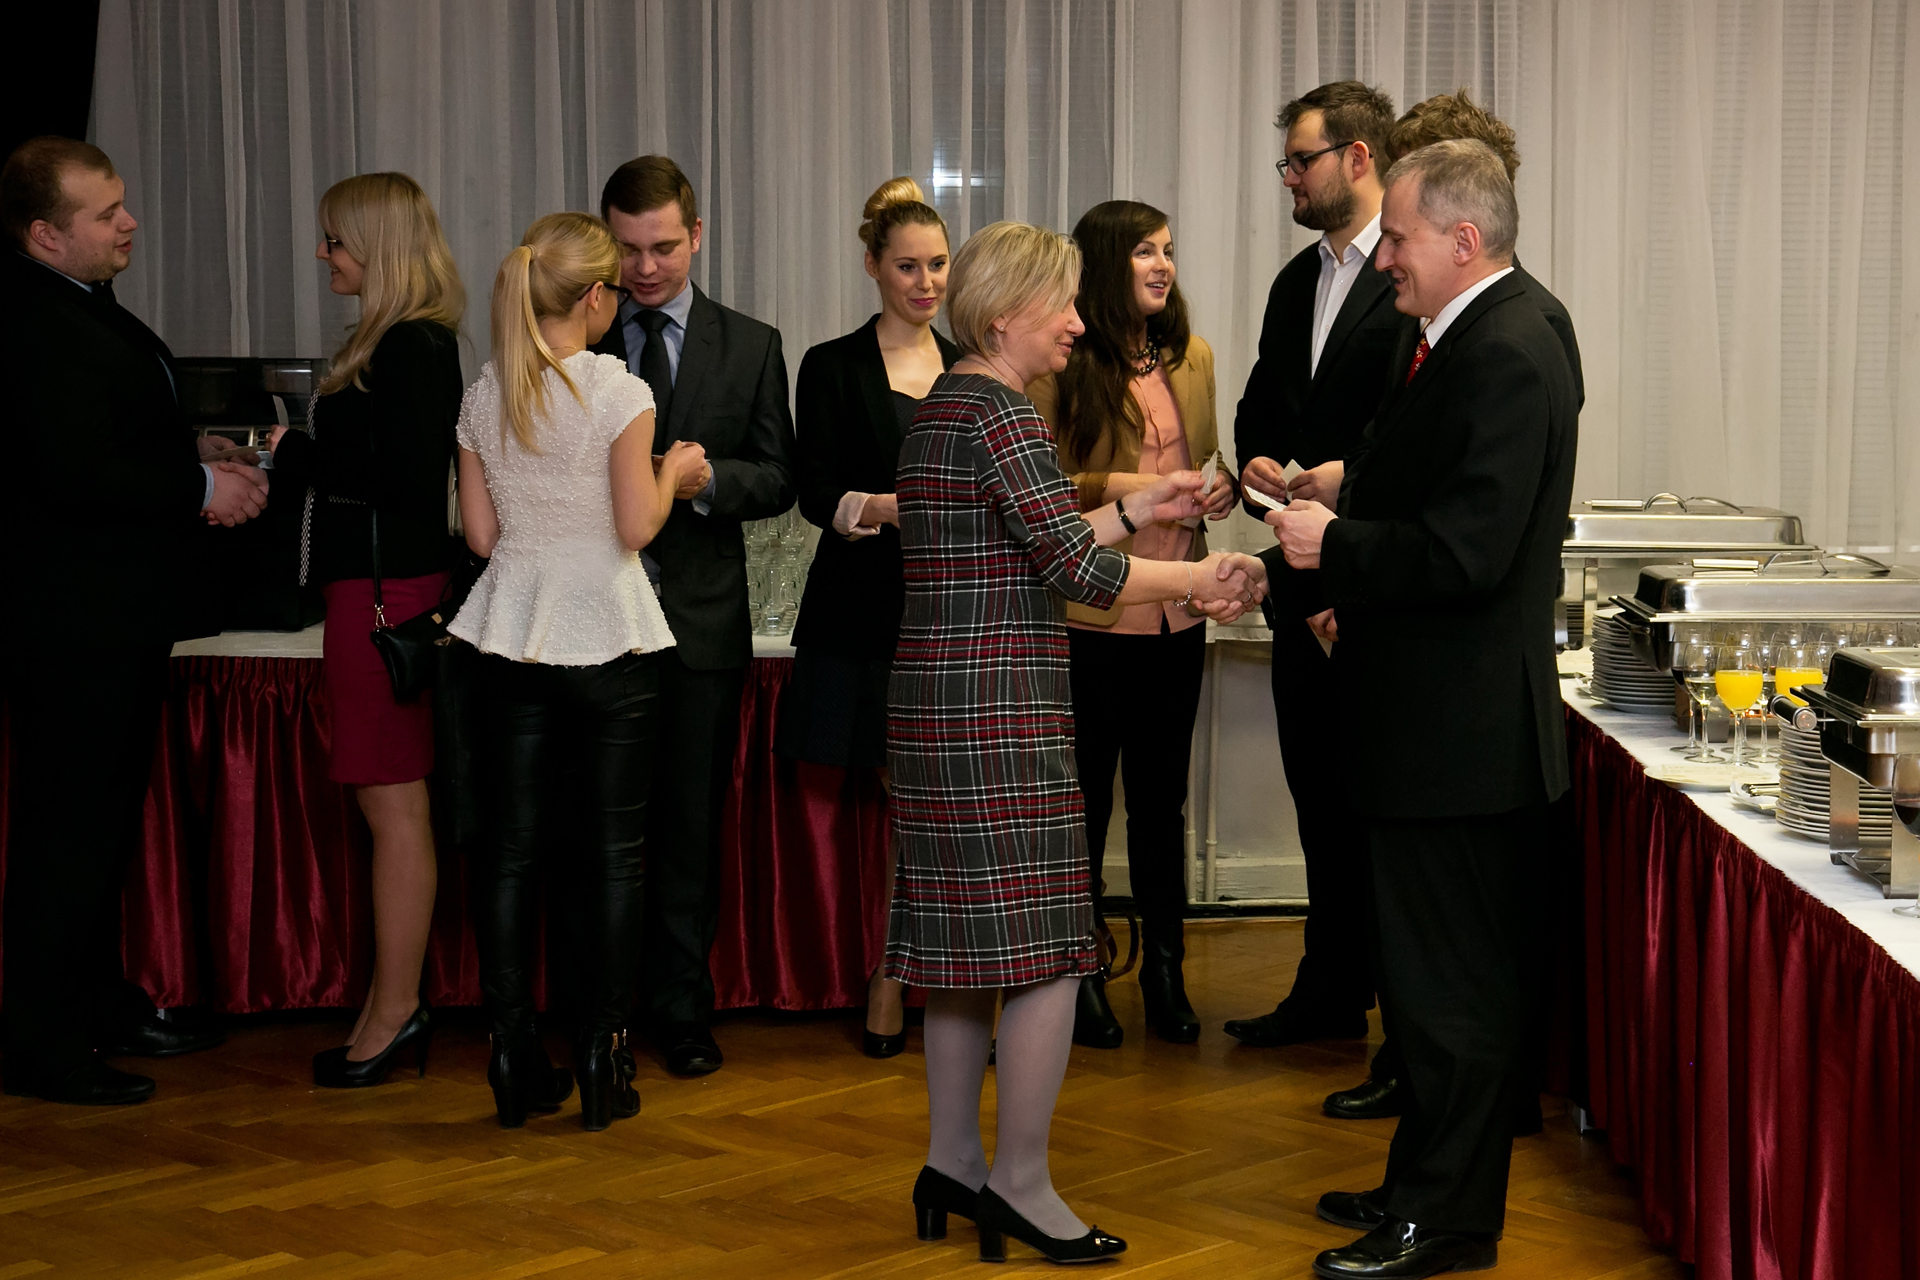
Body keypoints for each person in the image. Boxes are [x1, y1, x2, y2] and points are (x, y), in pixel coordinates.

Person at [888, 220, 1264, 1264]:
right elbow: (1075, 570)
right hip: (1002, 710)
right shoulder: (1007, 412)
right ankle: (1021, 1184)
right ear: (1004, 317)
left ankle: (952, 1163)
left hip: (936, 707)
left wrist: (1141, 507)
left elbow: (1031, 538)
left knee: (963, 956)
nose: (1075, 321)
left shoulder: (942, 406)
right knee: (1054, 954)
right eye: (1058, 304)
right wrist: (1200, 575)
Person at [1266, 140, 1579, 1279]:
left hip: (1459, 736)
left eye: (1397, 239)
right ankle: (1420, 1188)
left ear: (1463, 239)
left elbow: (1469, 549)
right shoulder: (1472, 330)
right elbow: (1438, 481)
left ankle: (1446, 1220)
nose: (1383, 257)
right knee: (1428, 990)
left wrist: (1333, 545)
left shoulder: (1508, 347)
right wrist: (1346, 492)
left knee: (1451, 999)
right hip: (1431, 726)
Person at [0, 137, 255, 1106]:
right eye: (105, 213)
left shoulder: (80, 301)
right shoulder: (34, 318)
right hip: (72, 628)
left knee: (99, 828)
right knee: (66, 836)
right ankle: (43, 1041)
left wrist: (192, 448)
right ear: (44, 234)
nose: (129, 222)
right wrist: (200, 487)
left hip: (111, 621)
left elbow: (108, 431)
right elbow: (72, 472)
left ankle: (98, 1005)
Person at [452, 212, 706, 1131]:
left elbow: (481, 538)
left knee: (512, 853)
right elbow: (635, 528)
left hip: (511, 637)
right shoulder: (616, 389)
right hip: (612, 637)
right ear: (597, 298)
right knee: (615, 855)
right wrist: (675, 473)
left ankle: (512, 1049)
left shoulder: (488, 391)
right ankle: (604, 1052)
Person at [590, 155, 797, 1078]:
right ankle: (599, 1013)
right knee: (595, 830)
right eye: (628, 249)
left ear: (698, 236)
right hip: (589, 622)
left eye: (663, 247)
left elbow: (780, 476)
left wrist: (710, 481)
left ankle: (681, 1011)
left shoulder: (750, 343)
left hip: (701, 630)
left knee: (687, 833)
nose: (644, 268)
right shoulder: (576, 335)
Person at [267, 172, 466, 1089]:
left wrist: (293, 454)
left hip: (387, 598)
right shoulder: (398, 340)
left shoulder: (414, 344)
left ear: (377, 247)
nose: (324, 254)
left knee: (394, 807)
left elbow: (407, 481)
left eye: (336, 240)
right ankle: (391, 1006)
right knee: (392, 805)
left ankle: (394, 1012)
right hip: (376, 593)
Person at [1026, 200, 1237, 1049]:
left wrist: (1220, 489)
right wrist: (1131, 488)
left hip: (1178, 618)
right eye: (1144, 251)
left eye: (1169, 250)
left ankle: (1165, 972)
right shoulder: (1062, 363)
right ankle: (1081, 977)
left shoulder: (1193, 357)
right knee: (1083, 807)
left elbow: (1206, 462)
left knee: (1161, 805)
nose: (1162, 265)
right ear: (1105, 264)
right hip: (1092, 617)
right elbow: (1045, 484)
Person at [1225, 83, 1404, 1059]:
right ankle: (1329, 986)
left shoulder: (1412, 274)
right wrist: (1255, 459)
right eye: (1287, 163)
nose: (1289, 178)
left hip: (1378, 587)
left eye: (1302, 160)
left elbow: (1410, 440)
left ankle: (1399, 1015)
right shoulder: (1297, 280)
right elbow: (1263, 403)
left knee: (1382, 810)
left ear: (1358, 158)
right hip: (1298, 580)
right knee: (1318, 803)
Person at [778, 177, 958, 1058]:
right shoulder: (831, 364)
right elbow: (813, 492)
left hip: (950, 616)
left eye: (938, 265)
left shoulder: (970, 365)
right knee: (907, 807)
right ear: (872, 268)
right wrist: (884, 508)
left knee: (932, 811)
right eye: (908, 267)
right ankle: (894, 981)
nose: (926, 283)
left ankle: (926, 982)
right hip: (862, 616)